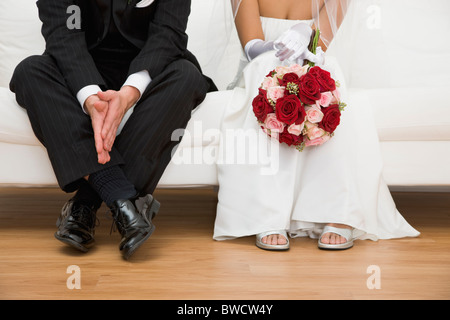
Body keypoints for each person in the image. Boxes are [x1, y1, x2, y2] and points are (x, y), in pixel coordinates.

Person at [9, 0, 216, 260]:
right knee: (29, 71)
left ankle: (85, 203)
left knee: (186, 76)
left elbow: (168, 33)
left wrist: (128, 94)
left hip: (150, 70)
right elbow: (62, 33)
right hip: (79, 67)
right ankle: (125, 200)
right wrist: (90, 97)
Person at [212, 0, 420, 250]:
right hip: (259, 70)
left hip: (312, 63)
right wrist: (277, 48)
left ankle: (337, 210)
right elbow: (251, 47)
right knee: (267, 65)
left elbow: (317, 47)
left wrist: (305, 35)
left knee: (329, 71)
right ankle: (266, 212)